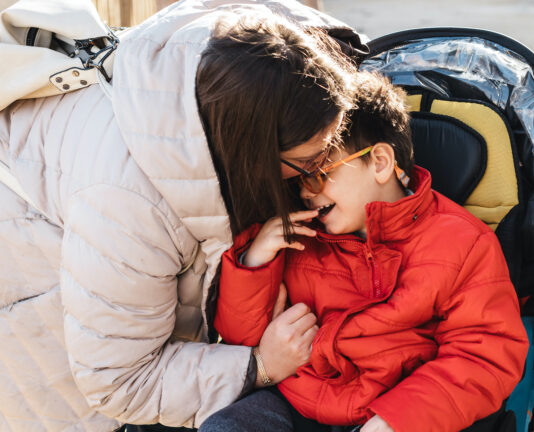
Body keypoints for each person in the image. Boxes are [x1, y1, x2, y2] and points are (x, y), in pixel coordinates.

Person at [0, 1, 364, 430]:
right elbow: (120, 382)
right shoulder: (128, 205)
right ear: (253, 156)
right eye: (310, 161)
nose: (319, 175)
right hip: (36, 292)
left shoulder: (226, 53)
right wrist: (260, 365)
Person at [203, 72, 530, 432]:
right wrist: (255, 261)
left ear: (379, 162)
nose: (306, 193)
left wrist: (398, 419)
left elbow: (483, 354)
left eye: (317, 174)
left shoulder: (462, 243)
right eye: (297, 181)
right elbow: (239, 340)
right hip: (299, 402)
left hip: (401, 412)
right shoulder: (299, 237)